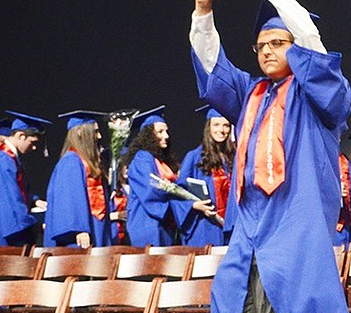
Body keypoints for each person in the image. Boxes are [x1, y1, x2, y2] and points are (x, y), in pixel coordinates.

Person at [190, 0, 346, 313]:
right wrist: (204, 11)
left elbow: (318, 50)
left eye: (278, 43)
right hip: (252, 224)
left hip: (295, 221)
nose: (266, 51)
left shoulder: (318, 92)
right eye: (261, 45)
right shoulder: (252, 93)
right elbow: (214, 69)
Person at [125, 106, 212, 246]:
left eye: (166, 131)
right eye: (160, 132)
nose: (166, 136)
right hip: (148, 223)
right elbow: (151, 189)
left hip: (163, 224)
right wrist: (182, 203)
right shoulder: (142, 158)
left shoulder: (160, 161)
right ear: (148, 135)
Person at [0, 110, 51, 247]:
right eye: (32, 142)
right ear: (20, 135)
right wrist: (34, 225)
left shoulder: (10, 160)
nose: (35, 147)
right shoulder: (2, 161)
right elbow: (10, 206)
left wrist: (33, 201)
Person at [45, 111, 115, 248]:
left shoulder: (84, 162)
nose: (99, 136)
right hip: (80, 236)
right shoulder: (71, 162)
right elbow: (69, 199)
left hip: (96, 229)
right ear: (80, 132)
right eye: (95, 132)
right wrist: (79, 229)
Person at [177, 105, 234, 247]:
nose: (221, 130)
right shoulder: (194, 157)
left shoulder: (234, 158)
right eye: (216, 125)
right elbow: (178, 192)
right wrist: (194, 205)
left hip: (232, 228)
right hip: (205, 228)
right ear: (208, 127)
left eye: (226, 125)